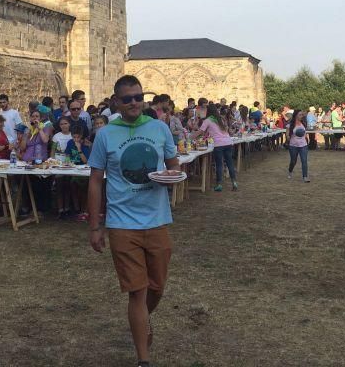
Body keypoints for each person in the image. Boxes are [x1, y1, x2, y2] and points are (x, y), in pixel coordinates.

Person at [87, 75, 180, 367]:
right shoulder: (105, 134)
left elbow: (174, 166)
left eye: (138, 97)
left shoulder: (159, 128)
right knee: (137, 292)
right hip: (121, 224)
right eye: (127, 99)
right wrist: (94, 226)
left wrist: (170, 178)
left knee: (157, 288)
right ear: (116, 102)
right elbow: (94, 181)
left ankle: (143, 320)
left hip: (157, 220)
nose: (133, 103)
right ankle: (143, 359)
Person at [196, 104, 237, 192]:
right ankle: (234, 182)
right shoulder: (220, 119)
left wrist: (191, 137)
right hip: (228, 142)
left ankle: (219, 185)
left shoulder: (208, 120)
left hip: (219, 144)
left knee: (219, 164)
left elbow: (200, 131)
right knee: (230, 163)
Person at [287, 109, 311, 182]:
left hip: (303, 145)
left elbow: (305, 133)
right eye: (300, 115)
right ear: (296, 116)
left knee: (304, 161)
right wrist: (288, 137)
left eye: (302, 115)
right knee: (293, 161)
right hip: (293, 145)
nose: (301, 116)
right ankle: (290, 171)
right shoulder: (290, 125)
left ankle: (305, 177)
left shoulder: (303, 123)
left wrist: (306, 138)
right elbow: (287, 135)